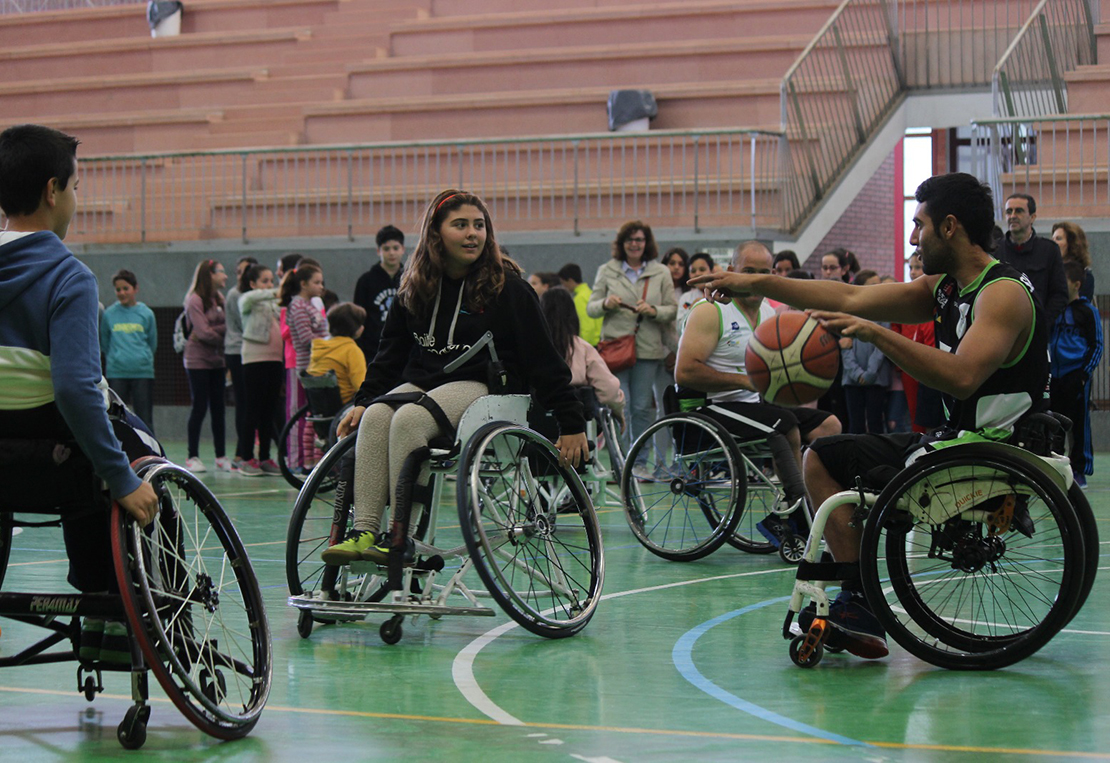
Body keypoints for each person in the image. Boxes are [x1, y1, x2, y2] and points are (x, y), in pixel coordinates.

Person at [690, 173, 1050, 660]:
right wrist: (753, 282)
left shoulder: (1001, 292)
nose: (912, 237)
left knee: (823, 462)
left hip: (980, 448)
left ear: (949, 227)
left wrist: (878, 335)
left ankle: (858, 599)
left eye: (919, 224)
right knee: (827, 452)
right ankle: (859, 597)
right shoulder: (947, 286)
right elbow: (846, 297)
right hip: (961, 441)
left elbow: (963, 376)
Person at [320, 190, 587, 565]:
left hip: (488, 386)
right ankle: (364, 530)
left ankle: (401, 537)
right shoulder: (414, 288)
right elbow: (389, 356)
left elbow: (545, 359)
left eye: (479, 225)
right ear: (436, 234)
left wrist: (571, 420)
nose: (472, 234)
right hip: (428, 381)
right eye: (460, 225)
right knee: (378, 417)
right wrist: (364, 401)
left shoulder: (509, 289)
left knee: (410, 420)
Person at [0, 124, 159, 661]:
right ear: (52, 191)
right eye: (75, 187)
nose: (75, 199)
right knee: (137, 459)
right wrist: (121, 478)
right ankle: (115, 616)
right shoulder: (68, 277)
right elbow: (74, 388)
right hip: (62, 468)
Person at [675, 241, 840, 545]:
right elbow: (684, 373)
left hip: (753, 407)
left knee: (829, 424)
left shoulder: (770, 314)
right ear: (731, 272)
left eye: (763, 273)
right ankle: (796, 518)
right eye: (748, 271)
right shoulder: (710, 311)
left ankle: (803, 509)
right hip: (707, 409)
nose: (754, 279)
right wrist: (742, 380)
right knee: (784, 425)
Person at [587, 220, 678, 471]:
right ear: (622, 244)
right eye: (630, 240)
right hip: (616, 348)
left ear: (646, 243)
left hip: (648, 349)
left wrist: (654, 310)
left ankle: (639, 461)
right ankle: (622, 460)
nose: (634, 244)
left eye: (639, 239)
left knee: (641, 407)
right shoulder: (608, 270)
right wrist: (606, 303)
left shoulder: (660, 272)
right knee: (620, 405)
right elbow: (591, 308)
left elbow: (672, 309)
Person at [1050, 260, 1103, 488]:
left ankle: (1079, 470)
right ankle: (1055, 469)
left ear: (1077, 284)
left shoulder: (1088, 312)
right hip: (1055, 376)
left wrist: (1083, 375)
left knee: (1079, 426)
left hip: (1076, 377)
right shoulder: (1055, 309)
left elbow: (1097, 345)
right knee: (1054, 425)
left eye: (1065, 282)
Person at [540, 287, 625, 428]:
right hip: (577, 427)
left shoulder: (531, 348)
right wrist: (618, 411)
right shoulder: (582, 348)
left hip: (535, 427)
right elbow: (609, 390)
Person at [281, 262, 328, 473]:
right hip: (303, 367)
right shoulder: (298, 306)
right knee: (297, 414)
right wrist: (330, 341)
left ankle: (309, 459)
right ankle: (295, 460)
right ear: (303, 284)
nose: (321, 287)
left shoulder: (311, 305)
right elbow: (305, 337)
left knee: (311, 414)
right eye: (316, 282)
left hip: (316, 366)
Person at [237, 263, 283, 477]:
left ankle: (264, 457)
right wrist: (276, 291)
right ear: (252, 283)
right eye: (263, 281)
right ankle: (246, 458)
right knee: (252, 410)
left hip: (275, 359)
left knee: (269, 410)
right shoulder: (247, 300)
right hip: (254, 360)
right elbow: (252, 298)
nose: (269, 285)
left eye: (271, 281)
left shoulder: (274, 303)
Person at [182, 259, 228, 473]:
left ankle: (221, 456)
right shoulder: (194, 300)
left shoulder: (220, 298)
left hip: (217, 361)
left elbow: (228, 326)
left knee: (219, 408)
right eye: (221, 272)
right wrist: (220, 333)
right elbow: (202, 332)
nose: (225, 276)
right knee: (200, 406)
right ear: (209, 274)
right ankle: (192, 456)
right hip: (197, 361)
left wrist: (215, 331)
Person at [99, 268, 157, 432]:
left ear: (135, 289)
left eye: (126, 288)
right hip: (117, 374)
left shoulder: (147, 314)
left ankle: (150, 455)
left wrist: (141, 358)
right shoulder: (109, 314)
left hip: (142, 373)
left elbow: (152, 343)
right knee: (115, 418)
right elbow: (105, 343)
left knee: (145, 419)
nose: (122, 293)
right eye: (118, 289)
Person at [997, 193, 1068, 324]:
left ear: (1032, 217)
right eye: (1008, 211)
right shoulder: (995, 250)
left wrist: (1041, 325)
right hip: (1001, 330)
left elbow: (1059, 294)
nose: (1012, 216)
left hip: (1036, 332)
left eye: (1019, 211)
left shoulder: (1049, 250)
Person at [840, 270, 891, 434]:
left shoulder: (884, 313)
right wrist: (857, 374)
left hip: (876, 379)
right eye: (873, 286)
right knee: (856, 425)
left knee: (876, 423)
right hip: (851, 379)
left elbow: (881, 346)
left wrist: (870, 373)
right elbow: (845, 346)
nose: (878, 289)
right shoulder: (847, 314)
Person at [224, 255, 257, 471]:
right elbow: (246, 324)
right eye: (238, 272)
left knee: (253, 404)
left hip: (253, 352)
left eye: (246, 271)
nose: (241, 276)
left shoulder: (255, 295)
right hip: (238, 351)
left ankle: (249, 452)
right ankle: (241, 453)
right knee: (243, 404)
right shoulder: (236, 295)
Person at [353, 224, 405, 360]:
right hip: (373, 350)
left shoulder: (411, 278)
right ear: (378, 251)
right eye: (386, 249)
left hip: (403, 349)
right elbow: (359, 317)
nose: (391, 253)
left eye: (395, 248)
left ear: (403, 249)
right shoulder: (366, 281)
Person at [307, 302, 367, 404]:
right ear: (356, 328)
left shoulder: (318, 348)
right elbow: (361, 386)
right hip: (344, 404)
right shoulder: (351, 350)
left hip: (319, 404)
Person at [558, 263, 603, 346]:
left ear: (570, 280)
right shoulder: (590, 293)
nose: (563, 286)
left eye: (563, 283)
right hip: (599, 341)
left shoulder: (579, 299)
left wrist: (584, 347)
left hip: (591, 344)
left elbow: (586, 327)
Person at [1051, 221, 1095, 301]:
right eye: (1053, 239)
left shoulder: (1086, 276)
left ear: (1071, 243)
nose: (1053, 243)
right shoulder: (1050, 270)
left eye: (1058, 239)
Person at [675, 252, 715, 334]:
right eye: (693, 271)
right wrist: (691, 309)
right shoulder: (686, 299)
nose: (697, 274)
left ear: (712, 271)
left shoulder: (720, 295)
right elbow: (679, 329)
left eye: (702, 269)